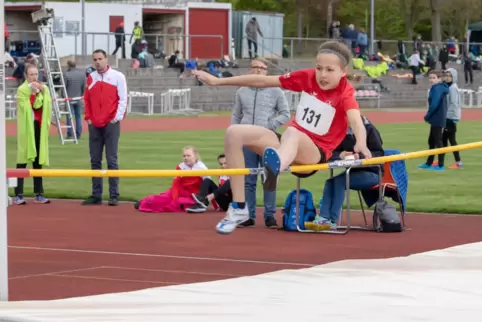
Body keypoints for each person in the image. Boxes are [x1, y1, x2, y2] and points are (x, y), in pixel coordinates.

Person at [193, 40, 371, 235]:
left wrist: (361, 142)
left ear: (343, 72)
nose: (322, 75)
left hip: (313, 154)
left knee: (293, 132)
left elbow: (356, 121)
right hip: (286, 145)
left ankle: (276, 167)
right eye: (319, 68)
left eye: (329, 70)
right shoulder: (308, 77)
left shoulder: (346, 93)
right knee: (234, 133)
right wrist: (218, 81)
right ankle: (239, 207)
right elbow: (262, 81)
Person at [232, 57, 290, 228]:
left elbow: (285, 113)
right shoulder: (242, 91)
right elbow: (236, 115)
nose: (257, 70)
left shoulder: (276, 90)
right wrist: (234, 133)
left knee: (269, 176)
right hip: (247, 139)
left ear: (267, 71)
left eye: (261, 68)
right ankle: (248, 216)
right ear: (250, 70)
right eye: (254, 67)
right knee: (249, 179)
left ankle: (269, 216)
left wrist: (270, 126)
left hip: (266, 139)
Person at [305, 116, 384, 231]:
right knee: (330, 182)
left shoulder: (370, 129)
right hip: (353, 172)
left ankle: (331, 220)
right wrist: (341, 155)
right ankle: (323, 218)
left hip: (373, 173)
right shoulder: (342, 132)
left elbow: (379, 154)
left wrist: (360, 157)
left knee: (339, 182)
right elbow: (330, 152)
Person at [82, 49, 127, 206]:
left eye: (100, 59)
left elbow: (123, 98)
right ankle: (96, 194)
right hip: (94, 124)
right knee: (95, 160)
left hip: (111, 123)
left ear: (106, 59)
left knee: (111, 159)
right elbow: (86, 99)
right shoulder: (91, 78)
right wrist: (88, 117)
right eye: (95, 59)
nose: (97, 62)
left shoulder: (118, 77)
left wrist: (116, 118)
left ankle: (114, 195)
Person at [14, 64, 52, 205]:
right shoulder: (22, 89)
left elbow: (44, 104)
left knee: (37, 160)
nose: (34, 77)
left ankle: (39, 193)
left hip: (39, 126)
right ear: (26, 75)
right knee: (23, 159)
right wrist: (33, 94)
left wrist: (42, 93)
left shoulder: (43, 88)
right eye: (31, 74)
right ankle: (18, 194)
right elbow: (25, 107)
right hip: (26, 127)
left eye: (36, 74)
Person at [135, 146, 209, 213]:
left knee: (183, 204)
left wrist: (214, 204)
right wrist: (175, 198)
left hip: (193, 195)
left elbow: (209, 185)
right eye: (184, 156)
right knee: (164, 200)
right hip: (179, 191)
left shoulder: (202, 168)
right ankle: (144, 202)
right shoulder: (180, 166)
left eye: (188, 155)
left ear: (195, 156)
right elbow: (176, 183)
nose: (186, 158)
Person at [417, 70, 449, 171]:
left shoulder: (437, 89)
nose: (431, 80)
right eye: (430, 78)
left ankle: (440, 165)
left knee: (438, 141)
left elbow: (434, 104)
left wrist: (427, 116)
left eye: (433, 78)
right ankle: (429, 163)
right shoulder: (437, 88)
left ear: (439, 78)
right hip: (436, 118)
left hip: (437, 118)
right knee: (432, 141)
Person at [438, 68, 463, 169]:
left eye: (449, 76)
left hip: (450, 117)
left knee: (446, 140)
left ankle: (456, 162)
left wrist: (447, 116)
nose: (447, 77)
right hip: (450, 117)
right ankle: (455, 162)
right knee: (450, 140)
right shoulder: (449, 86)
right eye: (446, 75)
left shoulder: (453, 88)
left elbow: (453, 104)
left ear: (454, 77)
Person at [63, 60, 85, 140]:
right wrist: (81, 95)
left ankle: (70, 133)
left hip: (69, 98)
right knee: (78, 116)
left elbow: (64, 87)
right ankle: (78, 133)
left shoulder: (67, 74)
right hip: (78, 98)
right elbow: (83, 86)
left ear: (68, 65)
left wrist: (63, 97)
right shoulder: (82, 74)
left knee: (69, 116)